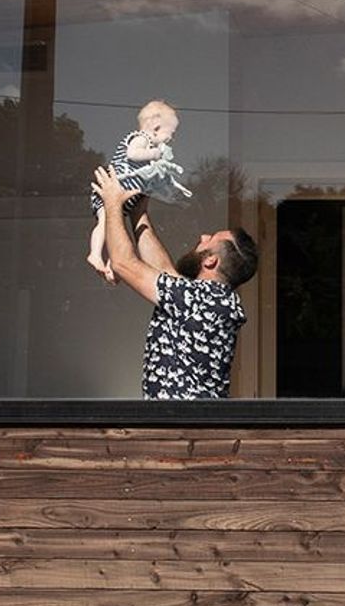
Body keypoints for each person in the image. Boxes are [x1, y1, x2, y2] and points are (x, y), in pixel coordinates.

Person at [92, 165, 259, 399]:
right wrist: (138, 213)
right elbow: (165, 272)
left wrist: (112, 202)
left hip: (181, 429)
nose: (202, 237)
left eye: (209, 240)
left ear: (211, 260)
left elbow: (123, 263)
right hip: (190, 427)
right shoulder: (211, 299)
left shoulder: (198, 299)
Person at [86, 98, 189, 280]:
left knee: (118, 232)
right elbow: (132, 154)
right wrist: (155, 154)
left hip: (124, 199)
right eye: (171, 132)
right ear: (156, 126)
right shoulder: (141, 138)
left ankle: (112, 266)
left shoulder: (150, 147)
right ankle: (94, 254)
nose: (172, 138)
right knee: (104, 223)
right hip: (110, 193)